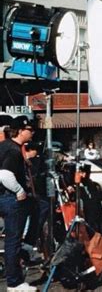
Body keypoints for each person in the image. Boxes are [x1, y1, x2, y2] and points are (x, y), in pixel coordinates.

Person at [0, 116, 37, 291]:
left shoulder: (4, 146)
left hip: (3, 197)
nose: (32, 133)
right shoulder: (14, 150)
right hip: (9, 198)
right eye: (30, 130)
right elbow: (5, 175)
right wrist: (19, 190)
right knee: (12, 241)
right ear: (21, 131)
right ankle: (14, 283)